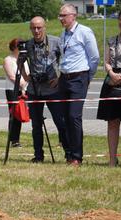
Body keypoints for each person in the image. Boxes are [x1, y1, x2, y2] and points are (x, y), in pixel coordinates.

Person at [58, 4, 99, 167]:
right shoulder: (63, 34)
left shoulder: (84, 32)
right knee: (64, 117)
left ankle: (77, 156)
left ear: (73, 16)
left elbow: (94, 57)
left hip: (79, 77)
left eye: (64, 15)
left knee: (74, 116)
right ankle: (68, 153)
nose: (61, 19)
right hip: (64, 78)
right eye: (59, 16)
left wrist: (87, 78)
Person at [24, 17, 68, 163]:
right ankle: (38, 156)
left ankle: (69, 154)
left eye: (39, 28)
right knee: (36, 125)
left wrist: (59, 78)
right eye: (33, 28)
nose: (36, 31)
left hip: (52, 89)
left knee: (60, 122)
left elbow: (67, 59)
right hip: (34, 90)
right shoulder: (28, 44)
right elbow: (19, 61)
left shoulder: (55, 42)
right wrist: (26, 76)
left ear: (44, 27)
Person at [96, 15, 121, 167]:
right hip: (112, 83)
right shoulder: (112, 40)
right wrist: (112, 73)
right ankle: (112, 159)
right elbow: (106, 62)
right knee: (112, 123)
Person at [3, 38, 28, 149]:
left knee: (25, 113)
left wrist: (26, 86)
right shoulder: (8, 60)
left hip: (26, 88)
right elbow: (12, 76)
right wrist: (22, 85)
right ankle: (14, 140)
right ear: (14, 47)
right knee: (15, 115)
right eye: (20, 46)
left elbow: (28, 73)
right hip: (13, 89)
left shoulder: (25, 60)